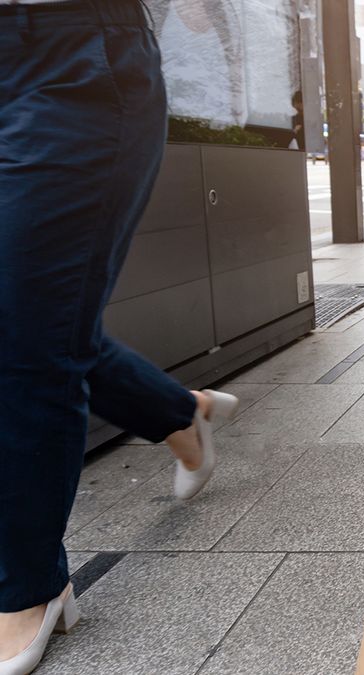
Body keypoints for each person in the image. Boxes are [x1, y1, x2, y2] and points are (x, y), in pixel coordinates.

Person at [0, 2, 240, 672]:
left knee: (29, 336)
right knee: (37, 321)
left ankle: (29, 587)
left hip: (71, 54)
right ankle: (175, 409)